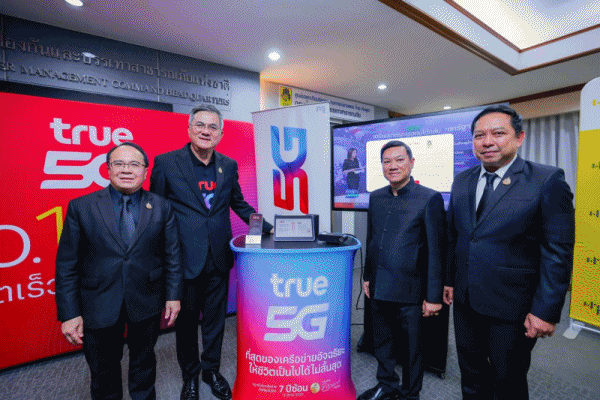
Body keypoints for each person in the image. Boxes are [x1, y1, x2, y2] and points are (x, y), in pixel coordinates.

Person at [444, 104, 575, 400]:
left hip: (513, 306)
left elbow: (558, 251)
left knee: (508, 380)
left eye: (498, 133)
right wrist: (450, 280)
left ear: (519, 138)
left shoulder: (546, 180)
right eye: (479, 135)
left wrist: (546, 311)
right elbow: (456, 236)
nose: (487, 141)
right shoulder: (462, 180)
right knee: (471, 375)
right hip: (466, 301)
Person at [150, 105, 273, 400]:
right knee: (186, 324)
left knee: (215, 322)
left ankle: (211, 371)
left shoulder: (228, 165)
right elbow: (155, 210)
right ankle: (190, 376)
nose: (206, 131)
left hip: (218, 257)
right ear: (190, 128)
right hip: (183, 260)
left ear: (220, 133)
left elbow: (238, 202)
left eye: (212, 127)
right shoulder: (167, 163)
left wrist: (270, 228)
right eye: (200, 125)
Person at [55, 142, 183, 400]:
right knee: (103, 371)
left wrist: (173, 296)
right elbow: (66, 264)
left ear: (145, 171)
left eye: (134, 164)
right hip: (98, 303)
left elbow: (173, 255)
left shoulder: (162, 206)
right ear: (108, 169)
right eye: (119, 164)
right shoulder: (81, 207)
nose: (126, 170)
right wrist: (69, 313)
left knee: (144, 363)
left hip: (147, 300)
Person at [359, 140, 446, 400]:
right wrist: (367, 276)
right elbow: (372, 239)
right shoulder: (376, 197)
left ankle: (410, 393)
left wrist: (433, 296)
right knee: (382, 341)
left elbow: (437, 251)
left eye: (399, 160)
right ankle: (386, 384)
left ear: (411, 163)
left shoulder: (429, 198)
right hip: (379, 284)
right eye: (387, 161)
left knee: (411, 348)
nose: (392, 166)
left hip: (411, 289)